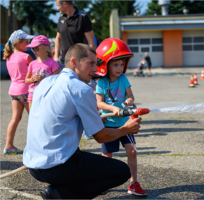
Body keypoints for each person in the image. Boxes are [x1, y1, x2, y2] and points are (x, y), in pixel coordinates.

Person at [23, 43, 141, 199]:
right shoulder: (81, 88)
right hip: (55, 166)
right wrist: (126, 129)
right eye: (91, 63)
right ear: (74, 62)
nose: (96, 69)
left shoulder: (45, 82)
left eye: (96, 63)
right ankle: (61, 193)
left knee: (80, 156)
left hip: (33, 165)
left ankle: (61, 188)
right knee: (121, 171)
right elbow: (101, 137)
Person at [95, 38, 147, 196]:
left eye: (122, 64)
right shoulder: (102, 82)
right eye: (115, 64)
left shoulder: (123, 79)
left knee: (132, 152)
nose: (119, 68)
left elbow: (130, 95)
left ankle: (133, 183)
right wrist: (112, 108)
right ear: (105, 65)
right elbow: (99, 103)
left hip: (125, 124)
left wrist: (129, 100)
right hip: (109, 124)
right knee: (107, 157)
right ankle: (104, 183)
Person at [3, 30, 34, 155]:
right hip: (26, 91)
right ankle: (35, 147)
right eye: (26, 42)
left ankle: (8, 146)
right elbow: (35, 71)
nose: (28, 45)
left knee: (15, 118)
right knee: (34, 118)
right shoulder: (26, 56)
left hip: (14, 91)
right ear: (18, 44)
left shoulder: (8, 57)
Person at [54, 0, 95, 71]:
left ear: (64, 4)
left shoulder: (83, 17)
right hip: (63, 63)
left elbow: (91, 41)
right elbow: (58, 38)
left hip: (79, 63)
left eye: (58, 6)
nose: (57, 8)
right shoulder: (61, 18)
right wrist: (56, 56)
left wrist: (91, 59)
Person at [25, 35, 60, 109]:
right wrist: (32, 79)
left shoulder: (53, 63)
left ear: (45, 48)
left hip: (46, 95)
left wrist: (43, 79)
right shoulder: (32, 64)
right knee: (32, 118)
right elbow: (26, 81)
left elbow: (57, 83)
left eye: (36, 48)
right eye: (32, 49)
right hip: (32, 95)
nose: (33, 51)